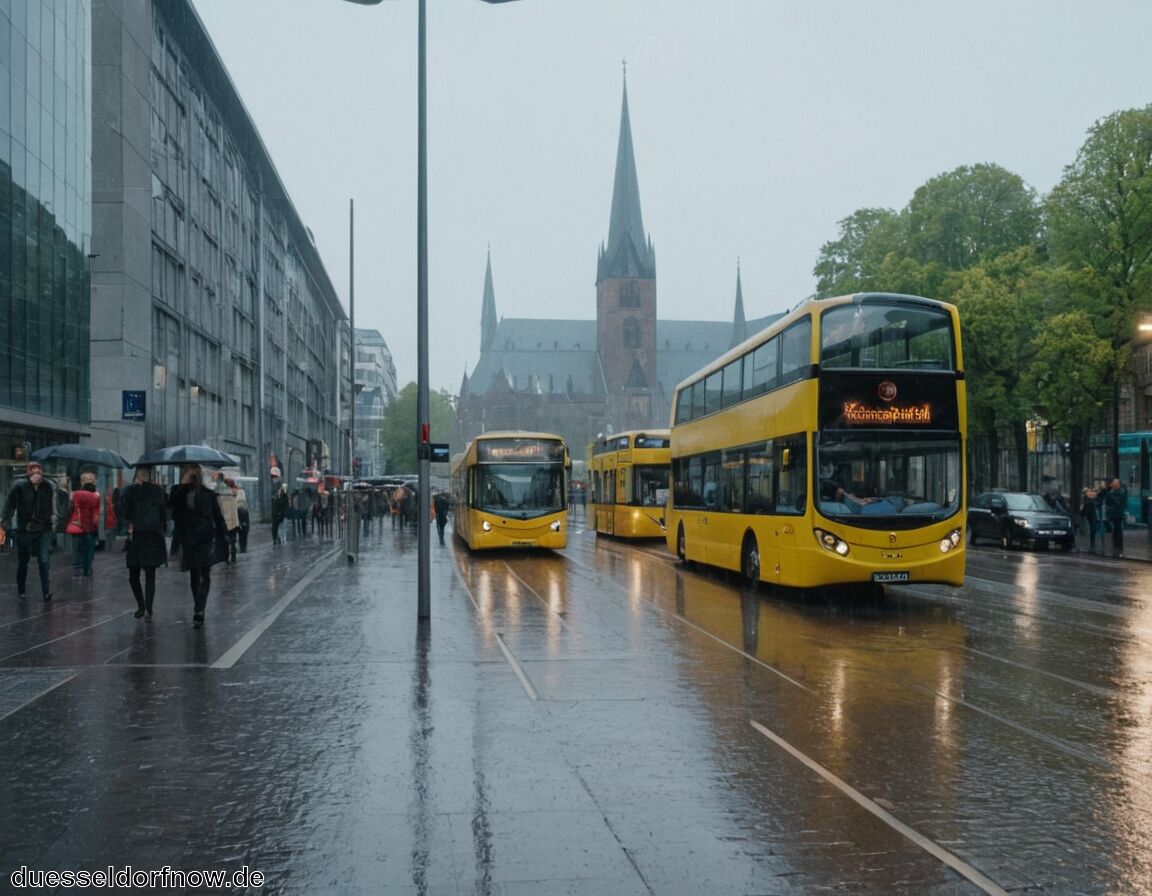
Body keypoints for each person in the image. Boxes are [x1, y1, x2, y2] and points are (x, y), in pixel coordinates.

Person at [169, 464, 228, 629]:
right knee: (196, 573)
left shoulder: (208, 494)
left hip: (202, 538)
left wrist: (223, 538)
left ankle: (200, 608)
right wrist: (182, 484)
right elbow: (172, 509)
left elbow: (217, 517)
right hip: (191, 539)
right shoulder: (180, 492)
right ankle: (199, 607)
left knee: (203, 572)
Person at [2, 461, 58, 601]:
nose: (36, 474)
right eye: (33, 471)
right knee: (23, 561)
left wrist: (54, 521)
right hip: (25, 529)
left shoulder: (47, 486)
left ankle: (46, 592)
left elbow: (55, 502)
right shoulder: (20, 486)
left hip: (43, 529)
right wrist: (5, 521)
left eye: (39, 471)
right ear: (28, 473)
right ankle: (21, 590)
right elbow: (10, 504)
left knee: (44, 561)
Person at [121, 467, 168, 619]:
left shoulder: (130, 491)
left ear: (138, 476)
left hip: (138, 536)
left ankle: (141, 605)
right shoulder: (159, 492)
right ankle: (149, 606)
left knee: (133, 575)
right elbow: (164, 516)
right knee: (150, 575)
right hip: (153, 537)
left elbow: (124, 512)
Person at [67, 470, 102, 578]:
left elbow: (69, 509)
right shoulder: (97, 495)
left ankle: (79, 569)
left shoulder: (74, 494)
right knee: (88, 548)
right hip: (89, 527)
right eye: (87, 479)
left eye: (90, 479)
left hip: (78, 525)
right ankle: (87, 569)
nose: (89, 481)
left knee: (78, 548)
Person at [215, 476, 240, 564]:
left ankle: (226, 557)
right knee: (233, 541)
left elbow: (218, 508)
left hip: (224, 521)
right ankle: (233, 557)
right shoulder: (234, 493)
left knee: (224, 541)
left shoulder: (219, 495)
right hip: (233, 521)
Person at [1102, 477, 1128, 558]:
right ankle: (1115, 547)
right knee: (1114, 530)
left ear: (1118, 485)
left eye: (1116, 484)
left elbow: (1122, 503)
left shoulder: (1122, 492)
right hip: (1112, 514)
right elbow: (1107, 503)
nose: (1114, 485)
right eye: (1113, 484)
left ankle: (1119, 547)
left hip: (1119, 514)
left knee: (1119, 530)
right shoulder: (1109, 493)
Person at [1079, 486, 1100, 554]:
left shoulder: (1090, 500)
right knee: (1089, 532)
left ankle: (1092, 546)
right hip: (1088, 518)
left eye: (1089, 491)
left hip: (1091, 518)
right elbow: (1084, 509)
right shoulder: (1086, 500)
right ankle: (1090, 546)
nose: (1089, 492)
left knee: (1092, 532)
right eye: (1087, 492)